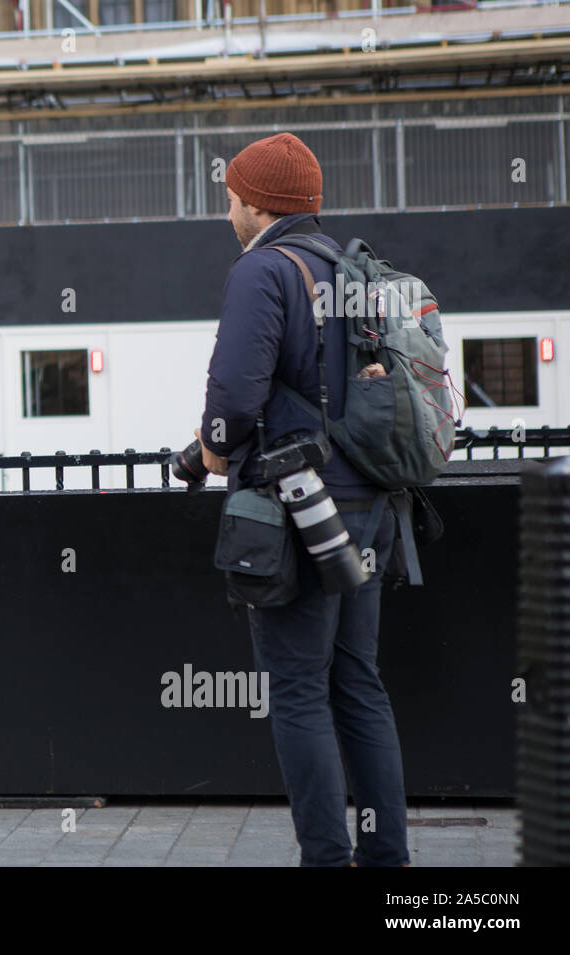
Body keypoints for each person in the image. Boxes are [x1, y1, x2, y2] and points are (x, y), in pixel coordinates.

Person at [195, 133, 411, 867]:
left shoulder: (263, 271)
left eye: (231, 199)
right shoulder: (345, 266)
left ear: (260, 204)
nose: (227, 212)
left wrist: (210, 449)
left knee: (296, 690)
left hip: (298, 512)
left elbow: (232, 400)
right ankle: (387, 857)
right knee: (358, 682)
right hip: (372, 505)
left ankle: (326, 857)